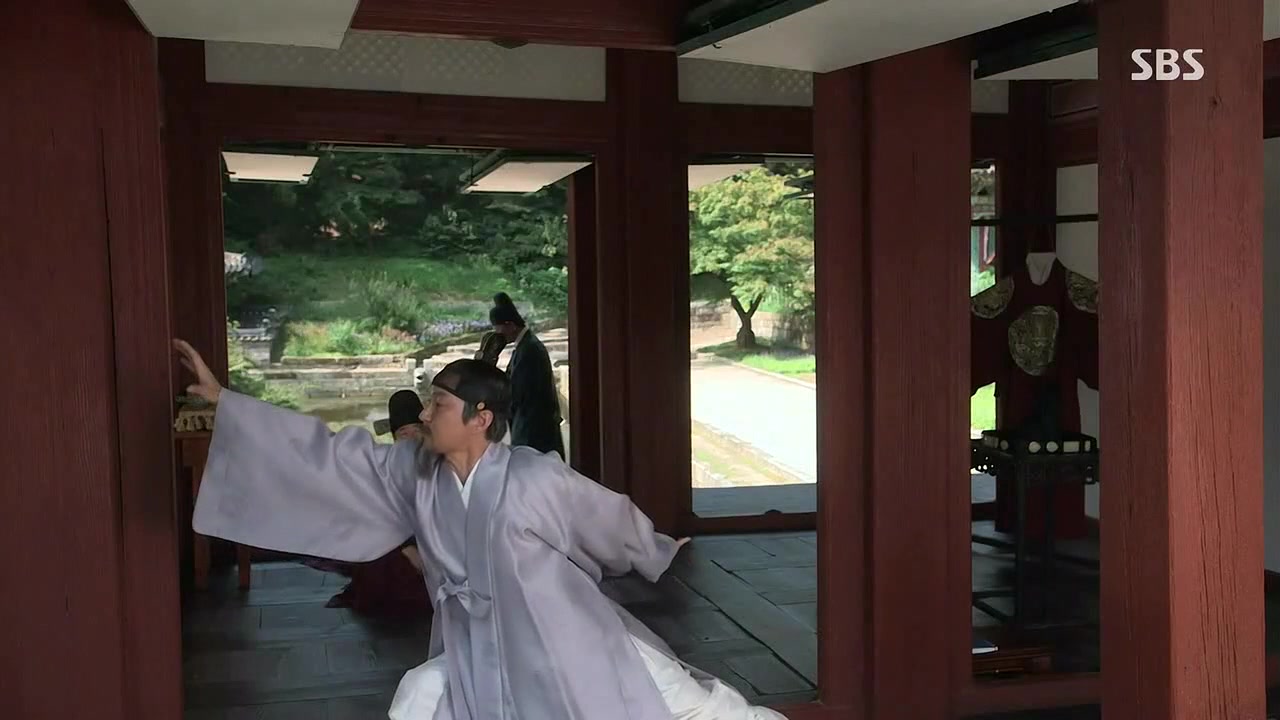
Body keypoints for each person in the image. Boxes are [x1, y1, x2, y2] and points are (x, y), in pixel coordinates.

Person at [174, 338, 784, 720]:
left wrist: (652, 548)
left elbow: (607, 518)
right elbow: (331, 456)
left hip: (560, 638)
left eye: (438, 405)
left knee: (672, 701)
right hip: (475, 647)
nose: (424, 414)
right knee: (420, 700)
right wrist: (229, 403)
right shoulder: (416, 472)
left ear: (480, 418)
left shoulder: (532, 478)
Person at [320, 390, 433, 617]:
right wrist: (406, 547)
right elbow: (376, 514)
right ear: (394, 437)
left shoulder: (441, 462)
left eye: (416, 431)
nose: (411, 438)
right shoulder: (384, 468)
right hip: (397, 545)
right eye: (404, 433)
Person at [488, 292, 564, 459]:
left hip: (535, 430)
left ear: (510, 325)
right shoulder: (526, 346)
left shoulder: (530, 350)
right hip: (530, 426)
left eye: (498, 328)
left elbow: (519, 391)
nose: (497, 333)